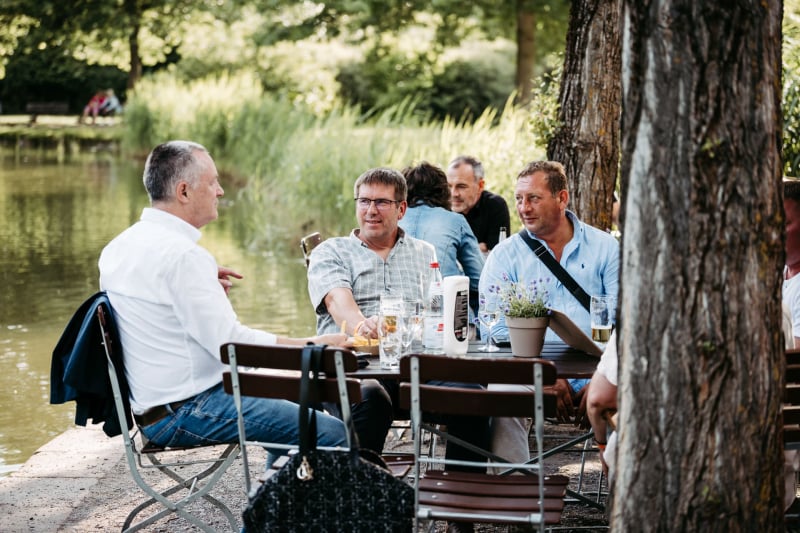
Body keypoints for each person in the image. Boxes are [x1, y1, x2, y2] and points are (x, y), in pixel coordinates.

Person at [99, 140, 348, 453]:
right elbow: (231, 346)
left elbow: (151, 305)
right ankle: (290, 485)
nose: (220, 191)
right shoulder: (183, 257)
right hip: (189, 408)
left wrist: (195, 284)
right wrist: (313, 345)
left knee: (300, 398)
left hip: (153, 407)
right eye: (212, 182)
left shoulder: (119, 247)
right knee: (335, 434)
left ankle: (281, 482)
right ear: (184, 191)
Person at [306, 167, 492, 477]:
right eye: (364, 201)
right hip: (354, 369)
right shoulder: (332, 251)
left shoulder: (424, 252)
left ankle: (461, 499)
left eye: (381, 202)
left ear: (401, 209)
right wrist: (362, 326)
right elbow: (336, 301)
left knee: (470, 393)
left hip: (413, 370)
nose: (371, 210)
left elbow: (435, 313)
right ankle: (358, 496)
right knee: (371, 398)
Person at [479, 160, 620, 465]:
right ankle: (515, 488)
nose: (523, 208)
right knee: (502, 396)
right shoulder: (504, 255)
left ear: (562, 198)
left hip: (600, 369)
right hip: (531, 372)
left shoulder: (606, 248)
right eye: (519, 199)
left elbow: (624, 322)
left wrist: (602, 377)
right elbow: (493, 329)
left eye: (533, 198)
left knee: (633, 396)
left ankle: (622, 488)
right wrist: (542, 374)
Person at [399, 161, 484, 314]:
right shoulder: (455, 220)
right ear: (443, 191)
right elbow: (479, 280)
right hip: (448, 315)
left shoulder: (392, 220)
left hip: (401, 316)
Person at [447, 155, 511, 255]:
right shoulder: (443, 206)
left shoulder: (495, 206)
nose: (453, 194)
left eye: (461, 186)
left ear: (480, 185)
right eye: (449, 186)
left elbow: (498, 254)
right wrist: (477, 247)